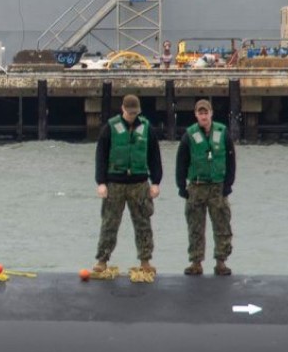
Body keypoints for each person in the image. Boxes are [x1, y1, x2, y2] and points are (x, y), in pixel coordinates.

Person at [93, 94, 162, 276]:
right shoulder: (110, 128)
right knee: (109, 223)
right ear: (123, 109)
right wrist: (101, 182)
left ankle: (145, 261)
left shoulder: (147, 129)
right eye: (129, 112)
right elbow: (101, 155)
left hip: (139, 183)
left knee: (143, 223)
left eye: (135, 113)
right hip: (115, 182)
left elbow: (155, 157)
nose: (132, 115)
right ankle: (102, 260)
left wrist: (156, 182)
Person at [173, 98, 236, 276]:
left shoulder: (223, 133)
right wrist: (181, 186)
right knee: (195, 227)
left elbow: (231, 160)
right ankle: (196, 262)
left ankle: (221, 262)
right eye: (200, 113)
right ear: (196, 115)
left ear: (211, 113)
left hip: (217, 187)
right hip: (196, 187)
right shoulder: (189, 135)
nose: (203, 116)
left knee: (222, 226)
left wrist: (228, 184)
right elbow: (181, 162)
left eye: (205, 112)